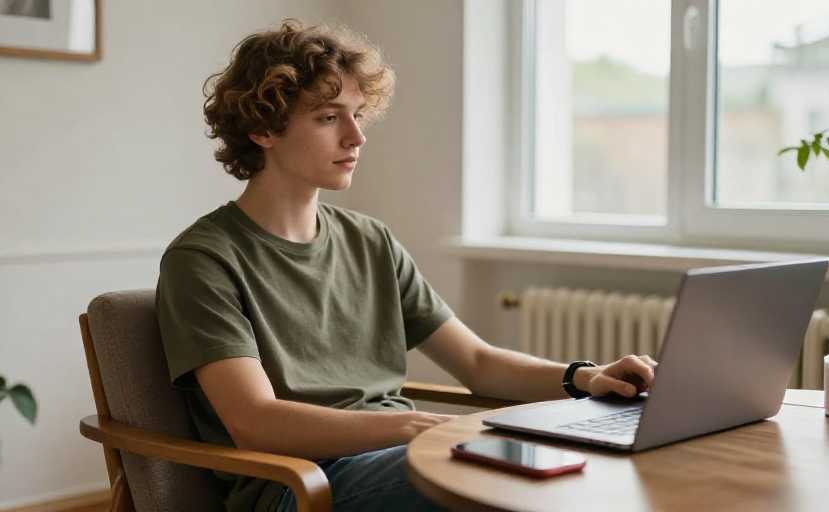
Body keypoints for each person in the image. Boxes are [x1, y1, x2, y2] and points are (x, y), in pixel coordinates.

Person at [155, 19, 658, 512]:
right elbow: (256, 421)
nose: (357, 137)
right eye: (329, 117)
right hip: (301, 481)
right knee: (510, 484)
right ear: (264, 128)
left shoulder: (370, 241)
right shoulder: (203, 260)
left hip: (399, 456)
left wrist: (587, 378)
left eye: (356, 114)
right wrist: (410, 427)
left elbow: (478, 364)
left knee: (573, 469)